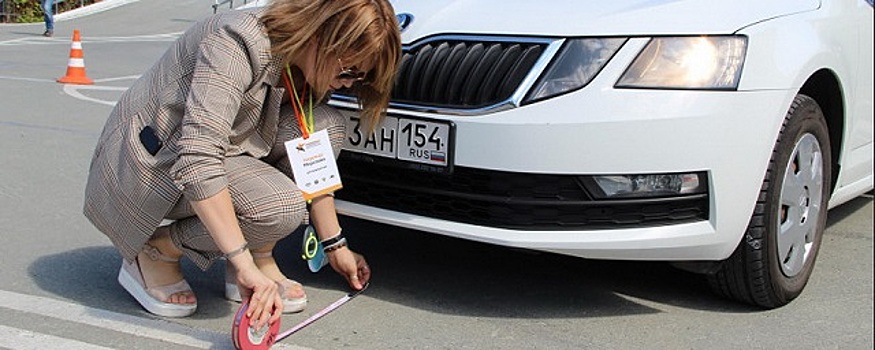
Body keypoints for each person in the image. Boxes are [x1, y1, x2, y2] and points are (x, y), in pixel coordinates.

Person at [82, 0, 401, 329]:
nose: (350, 83)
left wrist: (335, 244)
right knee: (281, 206)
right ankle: (157, 250)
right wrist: (241, 260)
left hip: (230, 147)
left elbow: (311, 150)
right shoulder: (237, 40)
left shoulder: (305, 61)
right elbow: (198, 157)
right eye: (349, 71)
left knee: (325, 124)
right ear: (320, 37)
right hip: (151, 165)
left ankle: (259, 253)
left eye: (362, 77)